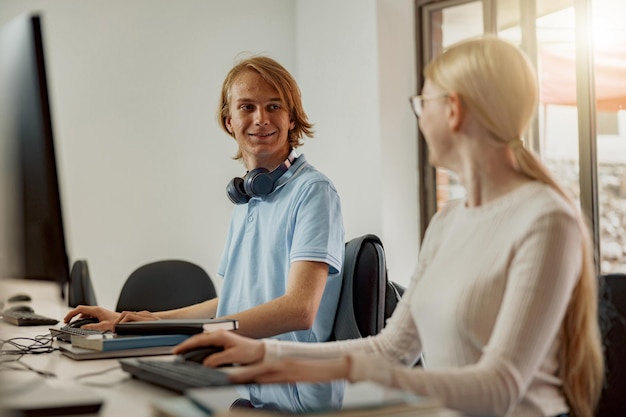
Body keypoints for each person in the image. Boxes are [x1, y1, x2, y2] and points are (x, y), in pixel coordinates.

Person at [172, 36, 605, 417]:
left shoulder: (546, 220)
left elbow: (497, 391)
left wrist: (323, 368)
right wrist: (263, 352)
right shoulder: (448, 221)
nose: (418, 119)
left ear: (452, 111)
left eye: (423, 104)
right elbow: (393, 348)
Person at [64, 55, 346, 412]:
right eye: (248, 107)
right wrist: (145, 320)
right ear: (230, 121)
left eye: (274, 106)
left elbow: (299, 310)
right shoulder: (248, 199)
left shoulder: (313, 192)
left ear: (291, 118)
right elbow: (230, 299)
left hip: (294, 398)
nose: (261, 118)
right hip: (247, 388)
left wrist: (201, 335)